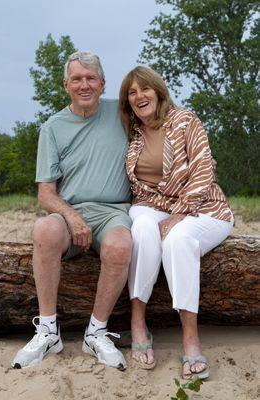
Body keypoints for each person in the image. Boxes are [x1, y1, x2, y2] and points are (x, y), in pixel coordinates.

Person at [12, 51, 132, 370]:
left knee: (121, 245)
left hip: (113, 211)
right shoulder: (52, 127)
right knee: (44, 230)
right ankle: (49, 331)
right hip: (70, 210)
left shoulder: (122, 113)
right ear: (66, 85)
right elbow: (45, 194)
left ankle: (96, 333)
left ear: (103, 83)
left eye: (91, 78)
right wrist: (72, 216)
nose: (84, 85)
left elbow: (161, 119)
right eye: (77, 79)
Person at [119, 66, 234, 378]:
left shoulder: (185, 120)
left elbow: (203, 169)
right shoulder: (131, 131)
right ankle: (138, 321)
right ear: (127, 101)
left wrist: (180, 212)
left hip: (203, 207)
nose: (139, 96)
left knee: (178, 239)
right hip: (151, 205)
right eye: (132, 92)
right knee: (142, 228)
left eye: (145, 89)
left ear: (158, 91)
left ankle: (190, 338)